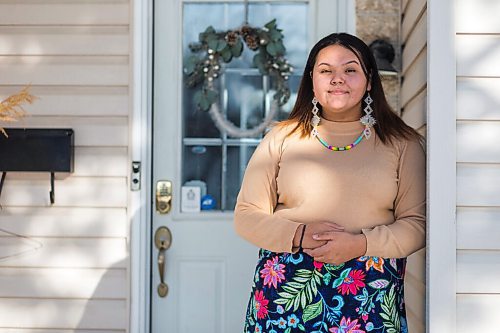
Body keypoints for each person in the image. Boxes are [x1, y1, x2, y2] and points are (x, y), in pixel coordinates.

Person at [234, 32, 425, 333]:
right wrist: (299, 234)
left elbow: (417, 224)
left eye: (350, 70)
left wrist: (360, 244)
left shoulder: (402, 144)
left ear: (369, 80)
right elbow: (245, 215)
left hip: (369, 295)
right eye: (326, 71)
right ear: (312, 79)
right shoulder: (281, 138)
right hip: (286, 293)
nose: (338, 79)